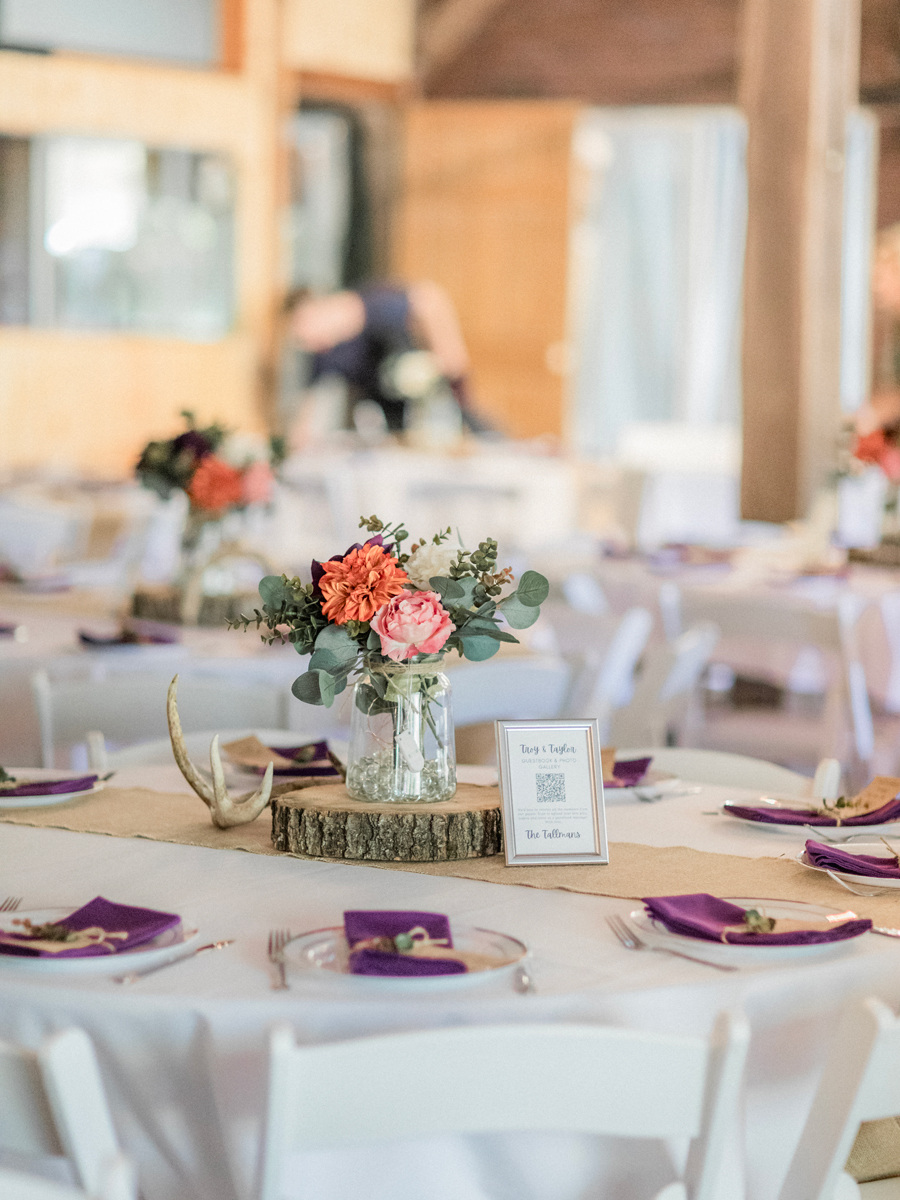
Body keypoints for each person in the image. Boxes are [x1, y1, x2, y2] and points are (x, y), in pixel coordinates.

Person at [285, 281, 489, 434]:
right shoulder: (325, 357)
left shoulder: (374, 305)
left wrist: (448, 351)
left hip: (436, 398)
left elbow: (429, 299)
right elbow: (306, 412)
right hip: (397, 420)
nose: (307, 341)